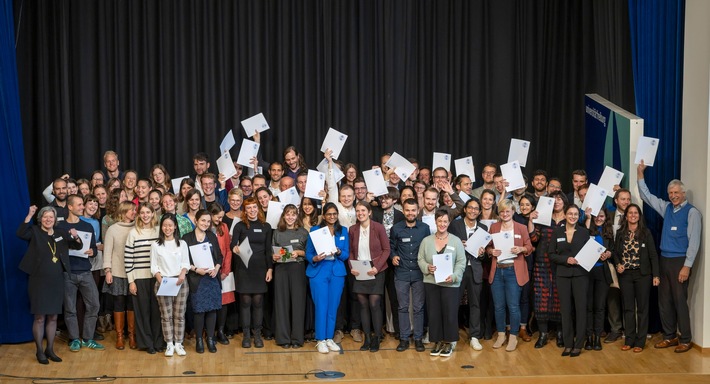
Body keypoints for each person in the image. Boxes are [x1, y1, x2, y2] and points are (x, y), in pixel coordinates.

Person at [637, 161, 701, 353]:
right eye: (670, 193)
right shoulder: (666, 208)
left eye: (676, 193)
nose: (673, 196)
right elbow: (646, 196)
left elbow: (694, 241)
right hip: (664, 259)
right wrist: (640, 174)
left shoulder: (692, 213)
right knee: (664, 301)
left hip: (680, 262)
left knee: (680, 300)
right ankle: (669, 336)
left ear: (683, 193)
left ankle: (686, 339)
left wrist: (687, 266)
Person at [18, 205, 80, 364]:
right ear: (40, 219)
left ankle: (50, 349)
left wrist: (76, 236)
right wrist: (29, 215)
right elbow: (20, 233)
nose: (48, 219)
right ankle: (39, 351)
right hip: (38, 281)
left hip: (57, 280)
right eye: (45, 216)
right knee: (40, 317)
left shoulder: (60, 233)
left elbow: (77, 245)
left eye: (51, 217)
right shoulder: (35, 231)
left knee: (53, 317)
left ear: (55, 219)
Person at [56, 194, 103, 352]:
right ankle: (74, 339)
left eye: (82, 205)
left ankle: (88, 338)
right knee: (70, 308)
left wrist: (92, 252)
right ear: (70, 207)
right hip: (67, 273)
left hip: (85, 271)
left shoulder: (87, 226)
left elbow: (94, 249)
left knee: (94, 305)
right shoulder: (60, 227)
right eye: (79, 205)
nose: (82, 207)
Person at [417, 209, 466, 358]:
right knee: (434, 313)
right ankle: (437, 341)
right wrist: (427, 267)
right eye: (440, 221)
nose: (442, 224)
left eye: (445, 221)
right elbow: (420, 259)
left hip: (450, 284)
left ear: (449, 222)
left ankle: (449, 342)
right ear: (435, 222)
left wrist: (455, 276)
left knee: (450, 314)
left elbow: (461, 262)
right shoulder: (426, 241)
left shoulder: (456, 241)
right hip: (431, 283)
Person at [612, 203, 660, 353]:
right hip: (625, 274)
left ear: (639, 216)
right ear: (626, 216)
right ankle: (629, 340)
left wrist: (656, 275)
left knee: (643, 309)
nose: (633, 215)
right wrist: (618, 264)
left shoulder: (646, 233)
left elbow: (653, 254)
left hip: (643, 275)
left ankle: (640, 341)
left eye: (636, 213)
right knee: (628, 308)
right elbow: (615, 253)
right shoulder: (620, 233)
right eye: (630, 213)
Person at [486, 199, 532, 352]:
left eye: (508, 211)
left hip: (514, 271)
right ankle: (501, 335)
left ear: (513, 211)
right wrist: (491, 252)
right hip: (498, 270)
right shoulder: (493, 227)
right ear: (499, 213)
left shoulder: (521, 227)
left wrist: (521, 249)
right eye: (502, 211)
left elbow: (529, 247)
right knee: (499, 307)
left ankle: (513, 336)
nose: (505, 214)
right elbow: (488, 247)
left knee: (513, 306)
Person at [305, 202, 350, 354]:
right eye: (329, 214)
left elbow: (346, 254)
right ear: (323, 216)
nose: (332, 216)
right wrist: (315, 258)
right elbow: (308, 253)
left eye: (334, 214)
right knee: (321, 306)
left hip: (336, 272)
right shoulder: (315, 230)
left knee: (333, 307)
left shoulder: (343, 231)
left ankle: (329, 338)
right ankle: (320, 339)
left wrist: (338, 252)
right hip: (319, 271)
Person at [231, 197, 274, 348]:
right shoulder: (240, 226)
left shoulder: (266, 226)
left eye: (254, 207)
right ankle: (246, 335)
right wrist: (234, 248)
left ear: (258, 208)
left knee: (258, 302)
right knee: (245, 302)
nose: (252, 210)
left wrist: (270, 268)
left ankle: (257, 335)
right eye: (248, 208)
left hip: (260, 269)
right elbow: (233, 244)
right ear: (245, 210)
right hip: (244, 269)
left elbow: (269, 250)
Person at [348, 202, 390, 352]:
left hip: (376, 269)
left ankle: (377, 337)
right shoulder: (352, 229)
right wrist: (352, 267)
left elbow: (386, 250)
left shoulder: (378, 227)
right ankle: (367, 337)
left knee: (374, 303)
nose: (360, 213)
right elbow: (351, 251)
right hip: (360, 269)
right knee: (363, 305)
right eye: (358, 211)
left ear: (369, 212)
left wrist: (376, 267)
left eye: (363, 210)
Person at [390, 198, 430, 352]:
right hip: (402, 273)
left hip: (420, 273)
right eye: (407, 210)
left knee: (419, 308)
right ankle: (404, 338)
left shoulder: (425, 228)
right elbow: (391, 246)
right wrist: (393, 256)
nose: (410, 213)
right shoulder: (396, 228)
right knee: (403, 307)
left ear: (417, 210)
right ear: (403, 211)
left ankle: (418, 338)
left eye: (413, 210)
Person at [549, 204, 589, 357]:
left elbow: (590, 253)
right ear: (565, 215)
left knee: (580, 310)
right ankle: (568, 344)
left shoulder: (584, 233)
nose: (573, 216)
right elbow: (551, 254)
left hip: (580, 275)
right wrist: (567, 259)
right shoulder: (557, 232)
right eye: (570, 214)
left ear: (579, 217)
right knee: (565, 311)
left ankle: (578, 344)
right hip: (563, 275)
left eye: (576, 214)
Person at [449, 197, 488, 351]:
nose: (473, 211)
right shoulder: (455, 225)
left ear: (479, 212)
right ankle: (452, 337)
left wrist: (482, 253)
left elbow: (484, 256)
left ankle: (474, 336)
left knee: (475, 304)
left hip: (475, 269)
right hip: (458, 268)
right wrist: (459, 246)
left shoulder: (483, 228)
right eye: (470, 208)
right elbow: (448, 245)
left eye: (476, 209)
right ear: (465, 209)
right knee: (453, 303)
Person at [125, 203, 163, 354]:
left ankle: (158, 341)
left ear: (153, 214)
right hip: (139, 278)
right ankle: (147, 343)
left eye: (148, 212)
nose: (146, 215)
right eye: (143, 212)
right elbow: (128, 258)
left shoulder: (159, 231)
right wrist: (131, 281)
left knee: (157, 311)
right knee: (142, 312)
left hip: (156, 277)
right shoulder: (133, 233)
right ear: (139, 215)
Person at [183, 209, 223, 353]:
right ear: (196, 221)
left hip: (211, 279)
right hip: (197, 280)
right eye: (203, 220)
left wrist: (217, 269)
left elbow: (219, 257)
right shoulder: (187, 238)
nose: (206, 223)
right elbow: (183, 260)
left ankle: (210, 339)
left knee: (212, 310)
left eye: (208, 221)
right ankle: (199, 340)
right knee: (199, 311)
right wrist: (195, 269)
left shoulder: (212, 236)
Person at [150, 214, 190, 357]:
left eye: (170, 225)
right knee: (166, 316)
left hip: (180, 282)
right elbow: (154, 266)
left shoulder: (182, 243)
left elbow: (186, 263)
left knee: (179, 315)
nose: (167, 228)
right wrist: (160, 279)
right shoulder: (156, 245)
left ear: (175, 227)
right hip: (164, 282)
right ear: (161, 227)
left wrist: (182, 274)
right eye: (165, 225)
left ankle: (179, 343)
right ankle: (169, 344)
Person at [532, 190, 566, 348]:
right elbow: (534, 238)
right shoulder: (543, 218)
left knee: (560, 298)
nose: (557, 202)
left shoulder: (570, 218)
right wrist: (531, 221)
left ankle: (560, 333)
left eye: (559, 199)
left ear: (564, 201)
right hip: (543, 263)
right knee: (542, 298)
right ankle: (543, 334)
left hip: (562, 264)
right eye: (553, 199)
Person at [271, 204, 309, 348]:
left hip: (297, 269)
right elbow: (272, 251)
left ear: (297, 216)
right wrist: (274, 257)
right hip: (281, 269)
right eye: (288, 214)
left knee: (298, 304)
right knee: (282, 304)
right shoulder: (277, 232)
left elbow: (309, 252)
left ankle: (297, 339)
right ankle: (283, 339)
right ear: (283, 216)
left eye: (293, 214)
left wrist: (298, 253)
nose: (290, 217)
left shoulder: (303, 232)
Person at [103, 201, 137, 350]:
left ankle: (131, 335)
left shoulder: (137, 227)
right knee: (118, 303)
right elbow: (107, 251)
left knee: (132, 304)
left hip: (134, 273)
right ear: (123, 212)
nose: (134, 212)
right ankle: (119, 336)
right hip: (117, 272)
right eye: (131, 210)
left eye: (134, 210)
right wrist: (107, 271)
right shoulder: (113, 229)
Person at [583, 207, 614, 351]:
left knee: (600, 307)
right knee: (588, 307)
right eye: (596, 216)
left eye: (601, 216)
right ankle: (588, 337)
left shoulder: (608, 232)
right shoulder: (587, 229)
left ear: (605, 217)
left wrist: (608, 254)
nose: (599, 218)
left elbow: (613, 249)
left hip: (602, 271)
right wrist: (588, 217)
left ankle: (597, 338)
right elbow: (583, 238)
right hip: (587, 272)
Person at [208, 203, 235, 345]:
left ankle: (221, 331)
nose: (220, 219)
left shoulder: (223, 227)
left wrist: (225, 270)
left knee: (224, 303)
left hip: (222, 270)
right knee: (211, 302)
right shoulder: (204, 227)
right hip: (207, 271)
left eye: (221, 217)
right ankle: (210, 333)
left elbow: (228, 250)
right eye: (218, 217)